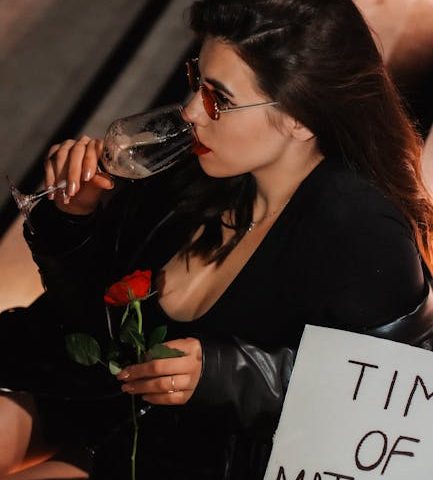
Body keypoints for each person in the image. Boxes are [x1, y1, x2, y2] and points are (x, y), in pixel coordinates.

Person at [1, 0, 433, 478]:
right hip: (90, 398)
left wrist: (228, 376)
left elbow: (394, 408)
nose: (190, 111)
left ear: (299, 117)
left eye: (218, 99)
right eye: (196, 79)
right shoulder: (195, 171)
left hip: (192, 458)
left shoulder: (360, 231)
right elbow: (87, 319)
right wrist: (72, 221)